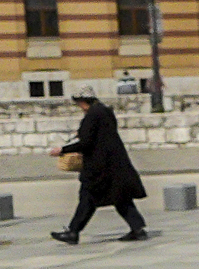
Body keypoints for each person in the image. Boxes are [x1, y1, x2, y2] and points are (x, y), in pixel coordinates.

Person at [50, 90, 149, 243]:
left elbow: (86, 143)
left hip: (100, 167)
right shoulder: (104, 111)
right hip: (115, 163)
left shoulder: (91, 115)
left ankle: (73, 232)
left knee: (88, 197)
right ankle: (137, 229)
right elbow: (100, 133)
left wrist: (62, 150)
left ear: (83, 101)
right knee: (120, 197)